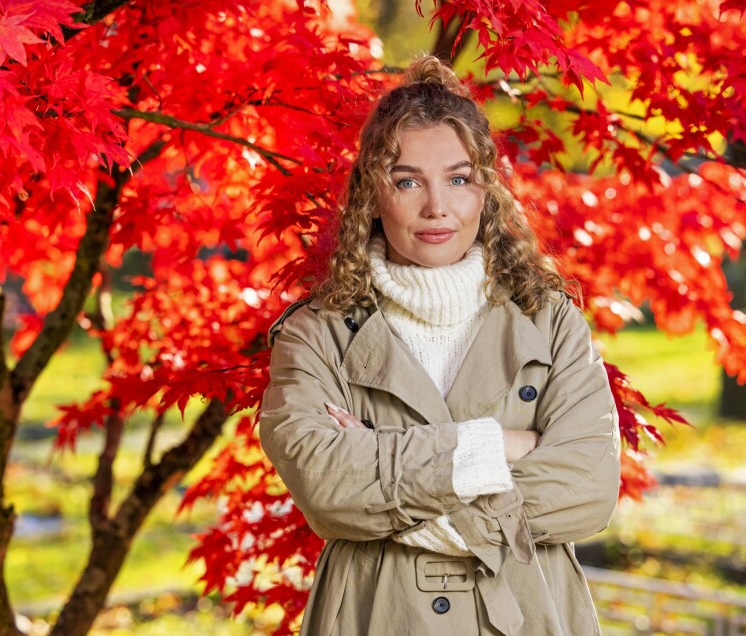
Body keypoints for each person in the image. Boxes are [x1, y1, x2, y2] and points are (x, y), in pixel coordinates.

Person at [260, 55, 620, 635]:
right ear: (372, 193)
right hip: (378, 615)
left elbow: (587, 488)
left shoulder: (549, 321)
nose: (437, 207)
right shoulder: (315, 333)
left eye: (458, 178)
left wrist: (386, 481)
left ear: (486, 192)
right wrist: (492, 446)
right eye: (407, 181)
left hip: (528, 611)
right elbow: (327, 487)